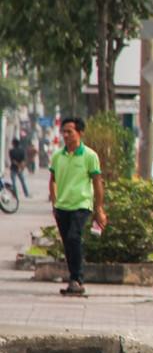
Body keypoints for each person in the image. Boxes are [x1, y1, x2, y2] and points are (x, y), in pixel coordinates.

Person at [47, 118, 106, 298]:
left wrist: (99, 208)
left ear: (80, 133)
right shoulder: (58, 156)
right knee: (68, 243)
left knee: (74, 237)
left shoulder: (89, 156)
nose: (66, 135)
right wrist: (54, 203)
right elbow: (53, 181)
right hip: (62, 206)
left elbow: (97, 183)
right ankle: (73, 279)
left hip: (81, 204)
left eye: (69, 132)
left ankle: (78, 279)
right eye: (63, 131)